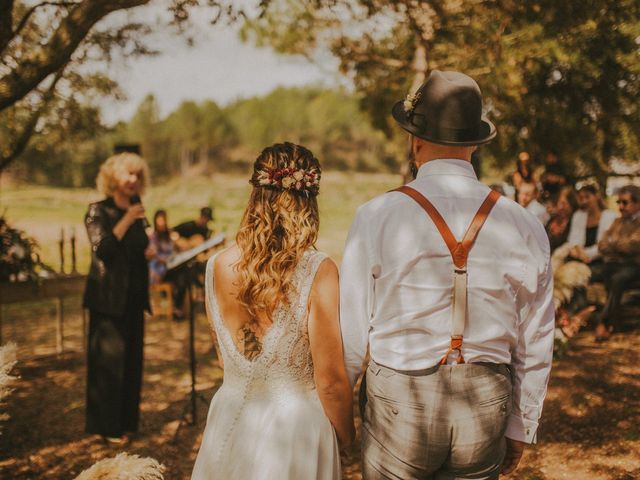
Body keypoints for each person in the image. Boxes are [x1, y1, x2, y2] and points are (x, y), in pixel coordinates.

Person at [340, 70, 554, 479]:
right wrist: (521, 424)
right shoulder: (523, 223)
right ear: (473, 144)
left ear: (415, 141)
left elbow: (351, 331)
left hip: (400, 400)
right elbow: (536, 334)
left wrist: (339, 414)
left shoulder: (377, 215)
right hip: (485, 399)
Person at [191, 142, 354, 479]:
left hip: (232, 419)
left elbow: (233, 356)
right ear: (308, 201)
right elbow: (330, 381)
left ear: (256, 195)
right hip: (295, 430)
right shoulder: (318, 270)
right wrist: (346, 438)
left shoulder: (215, 266)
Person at [83, 152, 155, 442]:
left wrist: (148, 252)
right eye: (128, 174)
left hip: (134, 300)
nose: (133, 180)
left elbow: (138, 250)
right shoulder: (97, 211)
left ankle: (127, 423)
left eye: (138, 175)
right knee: (109, 365)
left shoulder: (139, 212)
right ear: (113, 176)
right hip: (107, 301)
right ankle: (106, 427)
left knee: (132, 363)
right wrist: (127, 218)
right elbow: (105, 250)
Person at [592, 185, 640, 341]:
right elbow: (602, 244)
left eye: (625, 203)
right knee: (591, 273)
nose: (620, 206)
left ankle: (605, 322)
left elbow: (633, 246)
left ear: (637, 203)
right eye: (619, 202)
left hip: (634, 266)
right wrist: (617, 244)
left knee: (617, 279)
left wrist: (614, 244)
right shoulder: (617, 221)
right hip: (614, 264)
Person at [566, 183, 616, 265]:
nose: (584, 201)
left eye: (587, 197)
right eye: (581, 198)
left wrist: (586, 255)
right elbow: (574, 240)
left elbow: (605, 244)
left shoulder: (610, 216)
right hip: (579, 257)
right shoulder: (578, 215)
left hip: (601, 259)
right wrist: (580, 254)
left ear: (596, 196)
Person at [546, 186, 578, 252]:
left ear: (572, 204)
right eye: (560, 203)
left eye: (565, 204)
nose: (561, 207)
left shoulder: (573, 222)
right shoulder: (552, 219)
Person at [148, 209, 174, 285]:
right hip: (159, 265)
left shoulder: (168, 236)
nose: (161, 224)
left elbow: (172, 249)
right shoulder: (154, 237)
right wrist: (162, 259)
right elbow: (153, 253)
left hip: (170, 262)